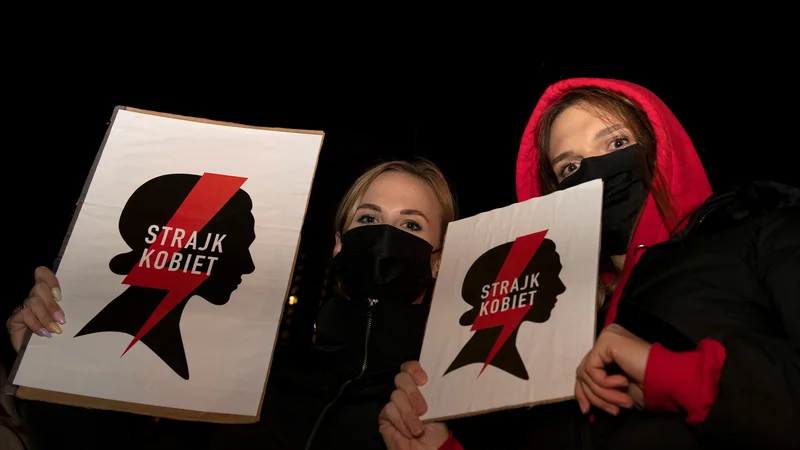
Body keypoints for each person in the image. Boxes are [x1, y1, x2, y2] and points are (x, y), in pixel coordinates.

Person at [378, 78, 799, 450]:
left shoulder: (756, 234)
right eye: (571, 167)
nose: (594, 172)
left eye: (616, 143)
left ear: (662, 145)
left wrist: (671, 375)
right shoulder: (544, 322)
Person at [6, 158, 458, 450]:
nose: (385, 237)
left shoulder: (452, 400)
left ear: (438, 259)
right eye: (369, 219)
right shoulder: (254, 377)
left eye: (412, 226)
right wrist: (50, 368)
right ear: (339, 246)